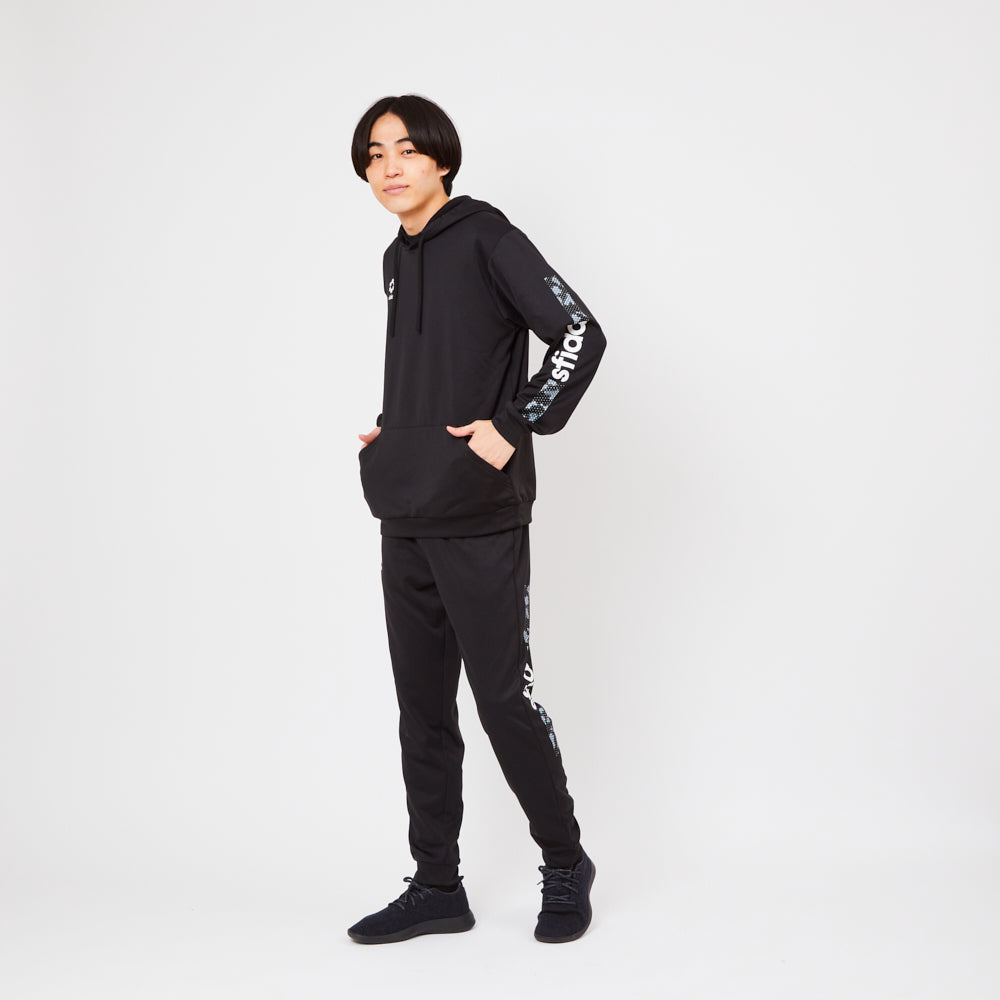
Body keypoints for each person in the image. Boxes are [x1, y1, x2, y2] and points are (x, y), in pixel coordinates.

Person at [347, 94, 607, 945]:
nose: (390, 167)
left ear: (442, 160)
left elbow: (579, 332)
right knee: (422, 709)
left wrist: (515, 423)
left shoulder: (489, 236)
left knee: (502, 701)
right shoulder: (395, 258)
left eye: (406, 150)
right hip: (406, 508)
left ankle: (565, 862)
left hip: (480, 515)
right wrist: (395, 429)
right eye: (375, 154)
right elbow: (436, 365)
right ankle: (436, 885)